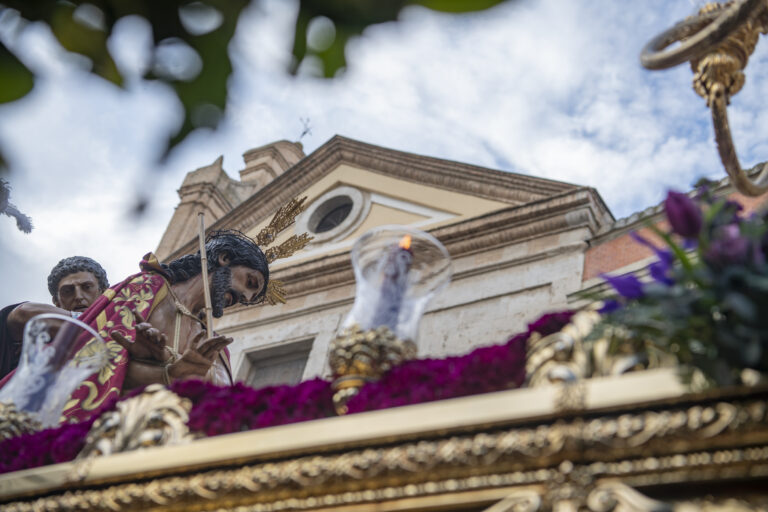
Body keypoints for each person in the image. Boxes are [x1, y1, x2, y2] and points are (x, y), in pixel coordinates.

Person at [56, 230, 271, 422]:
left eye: (249, 299)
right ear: (224, 258)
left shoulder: (217, 349)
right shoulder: (147, 288)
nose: (244, 296)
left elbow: (216, 414)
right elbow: (91, 366)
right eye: (250, 282)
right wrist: (168, 372)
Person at [0, 256, 109, 379]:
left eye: (87, 287)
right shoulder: (37, 334)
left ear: (104, 293)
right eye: (68, 291)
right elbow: (22, 314)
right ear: (56, 302)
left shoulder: (123, 329)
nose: (78, 296)